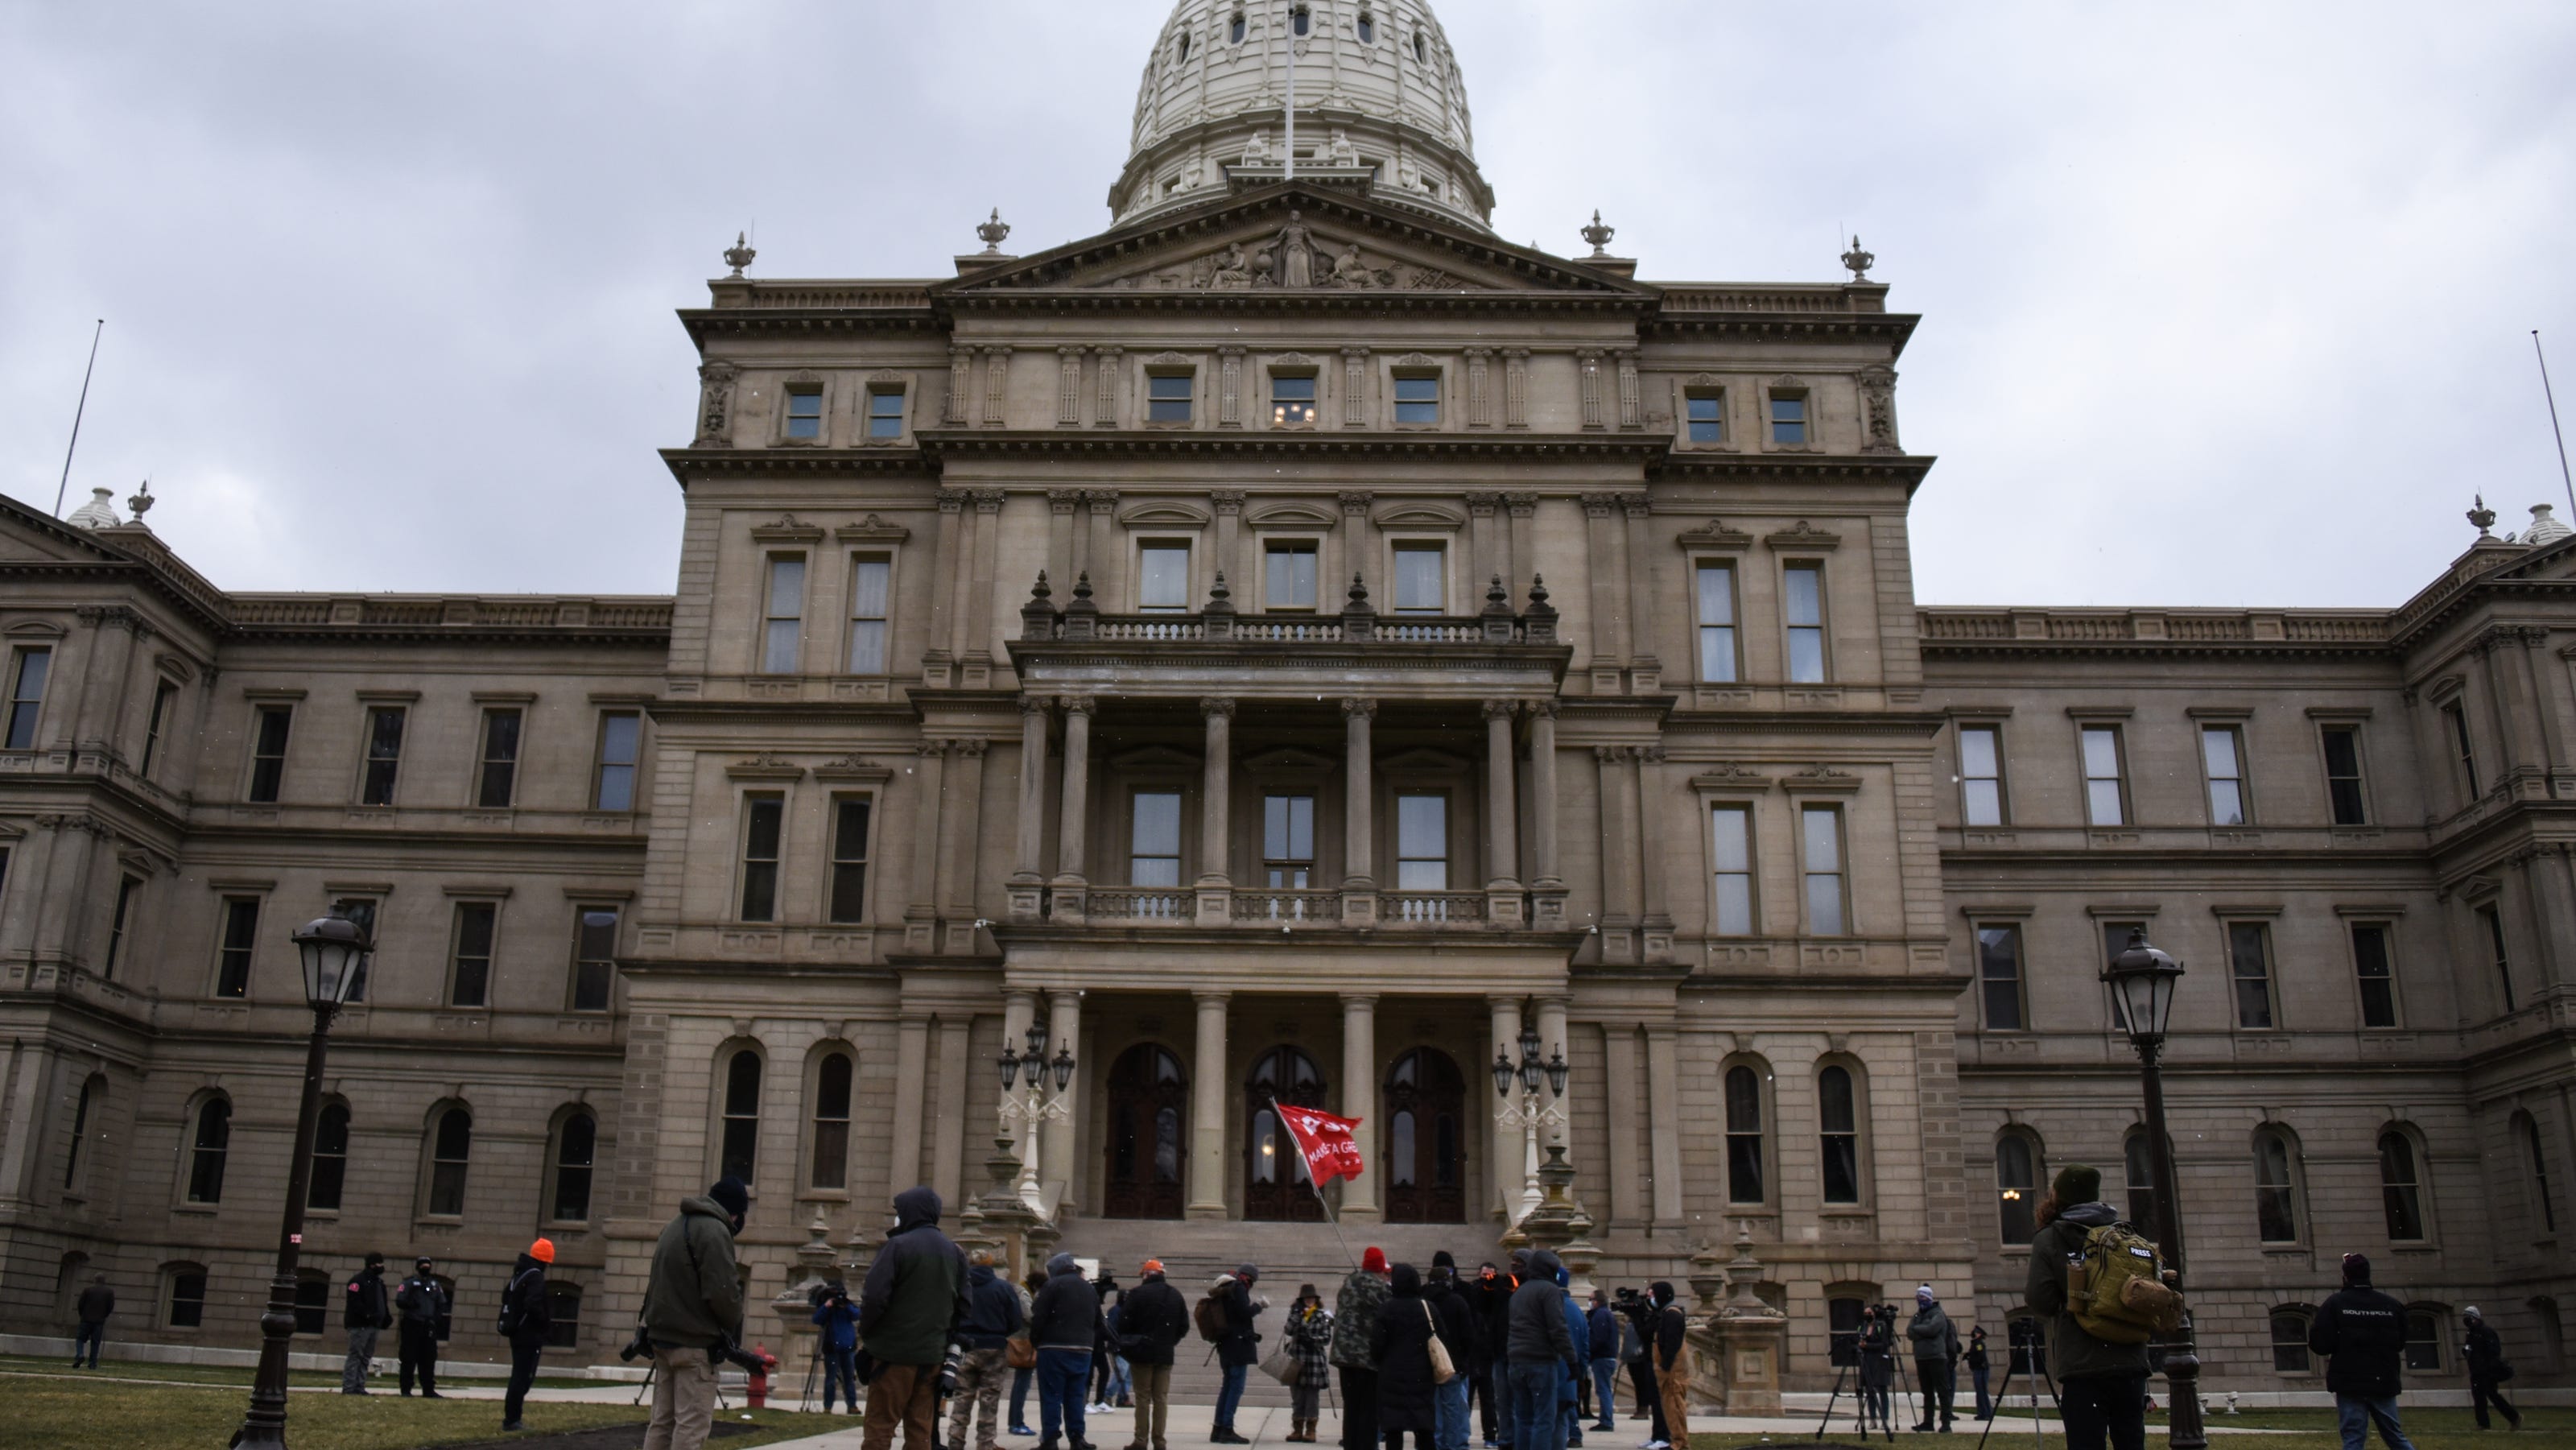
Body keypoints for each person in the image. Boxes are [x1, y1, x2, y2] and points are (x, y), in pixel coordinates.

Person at [2024, 1165, 2148, 1450]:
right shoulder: (2125, 1234)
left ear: (2059, 1197)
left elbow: (2039, 1300)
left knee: (2086, 1443)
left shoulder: (2051, 1238)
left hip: (2083, 1364)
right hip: (2130, 1361)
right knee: (2131, 1442)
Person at [859, 1187, 973, 1450]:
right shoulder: (955, 1252)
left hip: (892, 1355)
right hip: (932, 1356)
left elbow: (875, 1297)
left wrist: (869, 1334)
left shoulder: (897, 1246)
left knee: (880, 1426)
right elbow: (965, 1305)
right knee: (921, 1430)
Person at [641, 1175, 749, 1450]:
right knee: (691, 1427)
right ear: (734, 1213)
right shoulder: (715, 1231)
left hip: (663, 1339)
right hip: (695, 1345)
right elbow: (722, 1292)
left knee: (662, 1424)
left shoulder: (674, 1226)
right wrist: (732, 1321)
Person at [2310, 1254, 2415, 1450]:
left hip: (2350, 1381)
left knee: (2353, 1439)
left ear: (2345, 1277)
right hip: (2383, 1379)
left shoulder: (2336, 1304)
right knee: (2395, 1436)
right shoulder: (2391, 1305)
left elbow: (2320, 1343)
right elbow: (2400, 1342)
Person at [951, 1250, 1028, 1450]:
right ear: (991, 1265)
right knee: (989, 1399)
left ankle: (955, 1441)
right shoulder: (1003, 1288)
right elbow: (1016, 1320)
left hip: (965, 1347)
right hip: (994, 1347)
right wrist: (1000, 1333)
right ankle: (985, 1443)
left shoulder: (961, 1286)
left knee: (962, 1398)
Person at [1030, 1252, 1103, 1450]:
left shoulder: (1051, 1286)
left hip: (1053, 1348)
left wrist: (1035, 1342)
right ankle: (1077, 1438)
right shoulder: (1089, 1289)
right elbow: (1098, 1321)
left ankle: (1051, 1438)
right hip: (1082, 1349)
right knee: (1076, 1396)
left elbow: (1038, 1317)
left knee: (1052, 1395)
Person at [1505, 1250, 1575, 1450]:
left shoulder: (1520, 1292)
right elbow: (1558, 1329)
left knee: (1523, 1418)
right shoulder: (1550, 1290)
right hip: (1541, 1360)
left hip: (1516, 1359)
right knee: (1544, 1420)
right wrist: (1572, 1360)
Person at [1117, 1258, 1190, 1450]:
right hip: (1165, 1353)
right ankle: (1159, 1441)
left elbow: (1123, 1323)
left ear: (1147, 1275)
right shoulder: (1175, 1295)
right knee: (1161, 1398)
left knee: (1142, 1397)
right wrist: (1169, 1341)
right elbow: (1184, 1326)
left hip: (1141, 1352)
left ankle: (1141, 1440)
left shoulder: (1137, 1294)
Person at [1374, 1264, 1443, 1450]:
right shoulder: (1428, 1308)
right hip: (1422, 1375)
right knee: (1424, 1428)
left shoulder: (1386, 1309)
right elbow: (1442, 1337)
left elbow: (1377, 1345)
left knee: (1394, 1430)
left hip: (1392, 1375)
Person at [1332, 1250, 1391, 1450]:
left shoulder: (1348, 1284)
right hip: (1367, 1358)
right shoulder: (1380, 1288)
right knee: (1369, 1410)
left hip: (1343, 1355)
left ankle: (1351, 1445)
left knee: (1351, 1407)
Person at [500, 1237, 555, 1431]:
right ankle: (512, 1419)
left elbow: (505, 1296)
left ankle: (512, 1416)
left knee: (519, 1374)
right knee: (523, 1377)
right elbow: (533, 1304)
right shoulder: (535, 1276)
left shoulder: (520, 1273)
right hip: (529, 1334)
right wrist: (543, 1325)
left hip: (516, 1332)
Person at [1216, 1263, 1268, 1445]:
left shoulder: (1226, 1288)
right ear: (1248, 1277)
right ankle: (1227, 1429)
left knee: (1228, 1386)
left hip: (1226, 1344)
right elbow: (1244, 1313)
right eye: (1252, 1280)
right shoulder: (1238, 1288)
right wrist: (1259, 1306)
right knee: (1235, 1387)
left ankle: (1218, 1428)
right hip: (1237, 1345)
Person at [1428, 1266, 1477, 1450]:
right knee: (1453, 1409)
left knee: (1435, 1409)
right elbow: (1469, 1336)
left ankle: (1436, 1443)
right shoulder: (1457, 1301)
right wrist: (1464, 1360)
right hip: (1454, 1364)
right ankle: (1453, 1445)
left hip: (1429, 1364)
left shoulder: (1424, 1302)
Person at [1282, 1283, 1336, 1445]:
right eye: (1306, 1298)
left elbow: (1327, 1337)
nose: (1309, 1301)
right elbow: (1288, 1330)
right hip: (1297, 1360)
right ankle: (1297, 1429)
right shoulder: (1295, 1313)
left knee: (1312, 1398)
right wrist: (1297, 1315)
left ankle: (1311, 1430)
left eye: (1312, 1298)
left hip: (1314, 1362)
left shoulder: (1322, 1315)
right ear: (1301, 1300)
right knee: (1297, 1397)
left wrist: (1312, 1341)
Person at [1617, 1288, 1668, 1450]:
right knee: (1653, 1398)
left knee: (1659, 1403)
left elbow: (1646, 1334)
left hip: (1655, 1362)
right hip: (1646, 1360)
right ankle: (1657, 1436)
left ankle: (1664, 1437)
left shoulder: (1665, 1315)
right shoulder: (1651, 1315)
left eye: (1652, 1294)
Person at [394, 1256, 449, 1398]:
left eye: (428, 1265)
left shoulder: (435, 1285)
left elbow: (441, 1304)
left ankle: (428, 1389)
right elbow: (400, 1301)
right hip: (412, 1323)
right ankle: (406, 1389)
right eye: (423, 1265)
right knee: (409, 1358)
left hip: (428, 1325)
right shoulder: (409, 1283)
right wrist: (411, 1304)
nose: (426, 1268)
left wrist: (435, 1319)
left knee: (429, 1358)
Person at [1475, 1262, 1517, 1448]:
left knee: (1494, 1399)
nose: (1487, 1278)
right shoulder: (1478, 1292)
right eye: (1484, 1275)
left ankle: (1494, 1435)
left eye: (1490, 1275)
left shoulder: (1504, 1293)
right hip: (1484, 1353)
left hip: (1494, 1352)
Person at [1907, 1285, 1959, 1432]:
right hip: (1921, 1357)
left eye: (1923, 1297)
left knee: (1942, 1391)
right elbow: (1909, 1332)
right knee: (1927, 1392)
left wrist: (1919, 1330)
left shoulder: (1939, 1314)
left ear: (1929, 1298)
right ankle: (1928, 1422)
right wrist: (1922, 1330)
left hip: (1937, 1357)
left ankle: (1946, 1423)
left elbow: (1932, 1329)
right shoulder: (1917, 1315)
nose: (1920, 1300)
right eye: (1918, 1297)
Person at [2462, 1307, 2520, 1431]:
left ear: (2475, 1318)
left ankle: (2514, 1417)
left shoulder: (2486, 1332)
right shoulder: (2470, 1333)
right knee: (2479, 1398)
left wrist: (2489, 1367)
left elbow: (2494, 1351)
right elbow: (2470, 1351)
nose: (2466, 1320)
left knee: (2493, 1395)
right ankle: (2483, 1423)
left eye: (2468, 1317)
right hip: (2476, 1370)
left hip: (2487, 1371)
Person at [1649, 1283, 1690, 1450]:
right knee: (1670, 1407)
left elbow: (1672, 1343)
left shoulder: (1672, 1315)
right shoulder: (1667, 1313)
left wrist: (1665, 1365)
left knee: (1675, 1407)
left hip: (1673, 1371)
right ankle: (1676, 1441)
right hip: (1669, 1369)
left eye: (1653, 1295)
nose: (1651, 1299)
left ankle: (1680, 1444)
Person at [812, 1279, 862, 1415]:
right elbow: (816, 1320)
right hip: (831, 1347)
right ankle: (828, 1406)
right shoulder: (827, 1307)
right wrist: (826, 1306)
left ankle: (852, 1405)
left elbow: (857, 1315)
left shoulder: (847, 1305)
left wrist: (845, 1305)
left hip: (847, 1347)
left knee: (849, 1379)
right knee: (831, 1379)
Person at [342, 1253, 390, 1394]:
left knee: (365, 1357)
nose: (381, 1266)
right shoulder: (357, 1282)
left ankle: (359, 1386)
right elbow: (355, 1304)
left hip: (373, 1326)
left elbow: (382, 1303)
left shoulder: (379, 1283)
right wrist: (369, 1315)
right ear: (372, 1265)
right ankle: (349, 1387)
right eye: (379, 1264)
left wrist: (384, 1317)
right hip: (360, 1325)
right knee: (355, 1355)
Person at [1555, 1267, 1591, 1448]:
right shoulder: (1576, 1311)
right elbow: (1585, 1346)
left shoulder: (1550, 1306)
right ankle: (1575, 1434)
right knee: (1566, 1410)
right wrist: (1581, 1372)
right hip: (1571, 1368)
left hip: (1552, 1367)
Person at [1015, 1267, 1048, 1436]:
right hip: (1023, 1342)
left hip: (1025, 1340)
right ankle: (1016, 1421)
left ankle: (1016, 1420)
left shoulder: (1023, 1291)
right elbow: (1029, 1316)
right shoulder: (1024, 1294)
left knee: (1023, 1383)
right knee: (1022, 1383)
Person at [1584, 1291, 1619, 1435]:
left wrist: (1589, 1352)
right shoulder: (1606, 1314)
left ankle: (1606, 1421)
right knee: (1605, 1389)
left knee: (1603, 1389)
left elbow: (1598, 1338)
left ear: (1597, 1301)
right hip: (1607, 1357)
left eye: (1591, 1299)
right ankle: (1606, 1419)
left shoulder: (1600, 1315)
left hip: (1602, 1358)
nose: (1590, 1302)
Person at [1856, 1306, 1893, 1434]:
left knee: (1882, 1390)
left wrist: (1868, 1345)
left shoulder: (1880, 1326)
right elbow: (1858, 1340)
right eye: (1865, 1313)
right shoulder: (1863, 1326)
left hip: (1879, 1361)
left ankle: (1885, 1419)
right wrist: (1861, 1345)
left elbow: (1884, 1344)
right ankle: (1872, 1418)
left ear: (1874, 1314)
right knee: (1870, 1391)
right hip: (1866, 1361)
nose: (1867, 1315)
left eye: (1869, 1313)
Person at [71, 1273, 112, 1369]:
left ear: (95, 1280)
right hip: (99, 1321)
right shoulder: (109, 1292)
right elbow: (110, 1306)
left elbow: (80, 1304)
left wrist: (82, 1315)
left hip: (86, 1319)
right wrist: (104, 1315)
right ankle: (93, 1363)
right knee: (95, 1343)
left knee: (80, 1339)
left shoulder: (88, 1290)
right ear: (104, 1281)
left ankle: (80, 1354)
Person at [1965, 1326, 1992, 1422]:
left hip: (1981, 1369)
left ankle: (1986, 1413)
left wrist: (1971, 1359)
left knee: (1982, 1391)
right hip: (1977, 1369)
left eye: (1976, 1332)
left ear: (1979, 1334)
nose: (1974, 1333)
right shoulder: (1975, 1343)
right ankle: (1981, 1412)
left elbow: (1981, 1356)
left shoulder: (1979, 1344)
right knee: (1979, 1392)